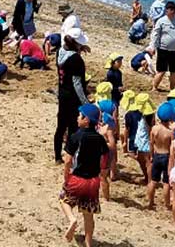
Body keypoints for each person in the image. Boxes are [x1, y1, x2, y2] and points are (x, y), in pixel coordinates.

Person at [59, 103, 108, 246]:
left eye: (80, 115)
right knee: (88, 214)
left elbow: (68, 160)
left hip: (78, 177)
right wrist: (103, 173)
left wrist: (66, 176)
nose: (77, 117)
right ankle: (88, 243)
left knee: (64, 199)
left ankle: (71, 219)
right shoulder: (99, 139)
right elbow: (105, 158)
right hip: (93, 180)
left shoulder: (76, 136)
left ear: (86, 120)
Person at [54, 28, 90, 163]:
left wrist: (79, 48)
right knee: (73, 128)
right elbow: (77, 84)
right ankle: (71, 157)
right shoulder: (77, 60)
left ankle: (57, 157)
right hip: (73, 98)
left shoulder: (60, 52)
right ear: (76, 44)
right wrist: (86, 103)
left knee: (60, 126)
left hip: (62, 93)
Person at [150, 1, 175, 91]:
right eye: (171, 10)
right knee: (161, 71)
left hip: (173, 51)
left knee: (173, 71)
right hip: (163, 49)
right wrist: (153, 47)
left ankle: (172, 89)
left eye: (174, 10)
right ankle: (154, 88)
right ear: (167, 10)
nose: (173, 12)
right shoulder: (161, 21)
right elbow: (155, 34)